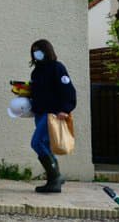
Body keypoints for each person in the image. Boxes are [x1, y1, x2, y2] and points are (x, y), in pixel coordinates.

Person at [28, 39, 76, 193]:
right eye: (34, 50)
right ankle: (54, 179)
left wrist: (65, 109)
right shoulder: (36, 71)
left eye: (39, 50)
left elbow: (68, 90)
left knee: (37, 143)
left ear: (46, 51)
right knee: (45, 145)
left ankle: (55, 177)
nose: (36, 53)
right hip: (40, 113)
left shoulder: (57, 68)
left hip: (53, 114)